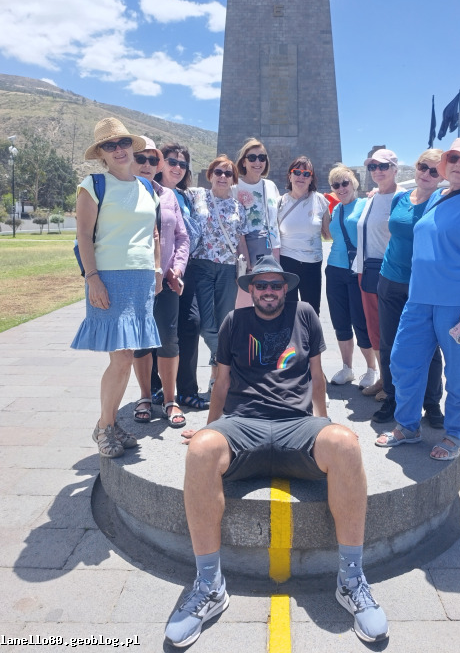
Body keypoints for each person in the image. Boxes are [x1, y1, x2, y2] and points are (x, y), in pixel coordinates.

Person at [164, 256, 389, 648]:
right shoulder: (235, 321)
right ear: (251, 289)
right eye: (261, 285)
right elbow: (221, 382)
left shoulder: (304, 315)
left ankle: (351, 580)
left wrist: (325, 423)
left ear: (286, 288)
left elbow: (317, 377)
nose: (268, 291)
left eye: (275, 285)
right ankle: (210, 584)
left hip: (296, 424)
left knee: (345, 443)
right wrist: (210, 428)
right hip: (243, 423)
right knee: (200, 450)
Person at [375, 137, 460, 460]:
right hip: (419, 299)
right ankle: (408, 426)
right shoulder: (436, 197)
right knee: (403, 361)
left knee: (459, 372)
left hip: (459, 305)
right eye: (454, 157)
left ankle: (456, 434)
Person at [71, 117, 161, 458]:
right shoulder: (93, 185)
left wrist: (156, 270)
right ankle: (105, 427)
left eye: (123, 143)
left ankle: (107, 423)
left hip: (140, 280)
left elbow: (153, 234)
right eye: (110, 146)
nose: (119, 150)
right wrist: (92, 278)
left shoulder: (147, 187)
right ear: (101, 154)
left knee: (127, 356)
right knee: (122, 357)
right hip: (108, 277)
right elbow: (83, 236)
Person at [372, 149, 445, 426]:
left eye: (435, 171)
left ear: (442, 176)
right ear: (415, 167)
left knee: (429, 346)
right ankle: (392, 397)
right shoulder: (400, 198)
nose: (426, 174)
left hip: (422, 284)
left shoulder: (442, 201)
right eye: (423, 167)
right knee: (390, 343)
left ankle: (431, 403)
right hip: (390, 278)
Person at [131, 138, 190, 428]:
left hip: (166, 281)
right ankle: (144, 396)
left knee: (168, 339)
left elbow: (182, 236)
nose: (147, 165)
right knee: (141, 341)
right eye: (141, 159)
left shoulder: (167, 196)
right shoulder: (124, 193)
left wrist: (176, 269)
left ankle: (169, 399)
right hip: (134, 280)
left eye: (153, 160)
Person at [155, 143, 208, 410]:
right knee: (160, 330)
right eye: (172, 162)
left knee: (191, 324)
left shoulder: (186, 197)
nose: (178, 168)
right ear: (160, 163)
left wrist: (180, 266)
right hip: (159, 270)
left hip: (185, 268)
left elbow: (185, 236)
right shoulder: (151, 192)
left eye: (183, 164)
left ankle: (187, 390)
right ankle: (156, 388)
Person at [190, 156, 250, 385]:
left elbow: (241, 240)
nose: (223, 177)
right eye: (218, 172)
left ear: (233, 179)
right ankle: (229, 361)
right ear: (210, 175)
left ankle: (217, 376)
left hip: (227, 268)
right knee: (206, 324)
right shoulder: (197, 197)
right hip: (201, 266)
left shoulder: (238, 207)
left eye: (228, 173)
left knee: (225, 322)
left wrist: (244, 269)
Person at [353, 149, 405, 397]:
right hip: (367, 270)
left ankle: (395, 383)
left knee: (391, 330)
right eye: (373, 167)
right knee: (375, 328)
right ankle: (384, 378)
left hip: (390, 272)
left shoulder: (403, 197)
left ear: (395, 169)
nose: (377, 171)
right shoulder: (372, 198)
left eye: (383, 166)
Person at [325, 166, 377, 387]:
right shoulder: (336, 209)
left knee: (361, 320)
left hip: (358, 271)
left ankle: (371, 369)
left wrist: (378, 192)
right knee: (340, 321)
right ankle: (347, 368)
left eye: (345, 183)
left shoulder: (367, 203)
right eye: (336, 185)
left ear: (354, 183)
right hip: (334, 269)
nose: (341, 188)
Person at [277, 156, 331, 315]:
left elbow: (328, 234)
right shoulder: (279, 202)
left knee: (312, 312)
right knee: (288, 311)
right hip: (287, 262)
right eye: (297, 172)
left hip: (312, 264)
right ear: (290, 175)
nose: (301, 176)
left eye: (306, 174)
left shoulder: (321, 201)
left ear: (311, 178)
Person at [233, 138, 281, 308]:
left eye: (262, 158)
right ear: (243, 162)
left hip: (273, 249)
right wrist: (246, 261)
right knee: (245, 302)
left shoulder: (271, 186)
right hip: (247, 250)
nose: (257, 162)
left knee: (269, 301)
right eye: (252, 158)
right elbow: (234, 227)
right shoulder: (235, 187)